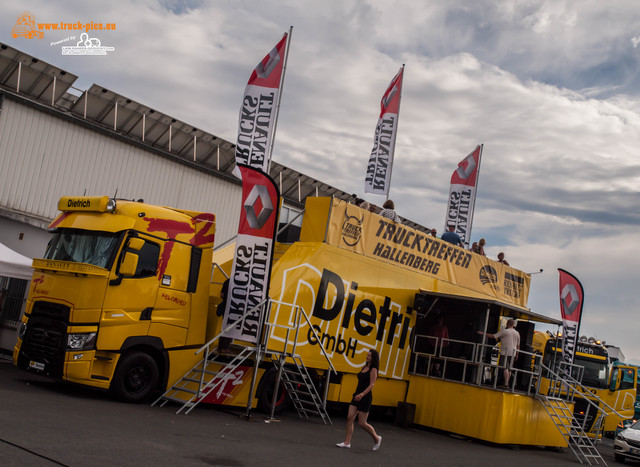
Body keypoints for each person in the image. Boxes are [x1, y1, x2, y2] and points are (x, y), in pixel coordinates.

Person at [337, 349, 383, 451]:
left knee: (362, 422)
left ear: (374, 358)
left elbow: (372, 384)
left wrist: (362, 394)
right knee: (350, 417)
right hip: (356, 395)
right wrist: (358, 394)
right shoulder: (364, 367)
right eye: (367, 355)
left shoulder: (373, 369)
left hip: (365, 397)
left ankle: (376, 438)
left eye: (370, 356)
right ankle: (347, 442)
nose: (367, 357)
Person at [477, 319, 519, 388]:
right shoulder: (517, 333)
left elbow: (493, 336)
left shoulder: (505, 331)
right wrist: (517, 355)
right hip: (513, 353)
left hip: (505, 352)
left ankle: (506, 384)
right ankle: (507, 383)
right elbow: (518, 346)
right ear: (513, 325)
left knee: (505, 367)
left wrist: (483, 333)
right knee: (509, 369)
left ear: (507, 324)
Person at [216, 278, 233, 353]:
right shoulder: (240, 282)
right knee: (232, 328)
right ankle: (225, 347)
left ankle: (220, 347)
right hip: (233, 308)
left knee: (224, 327)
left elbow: (221, 295)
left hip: (225, 307)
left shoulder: (228, 280)